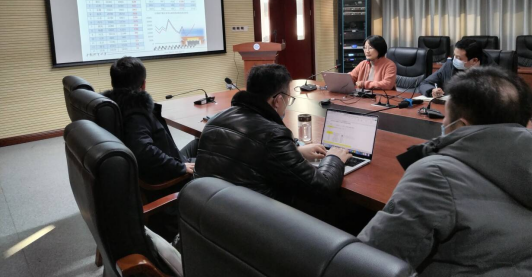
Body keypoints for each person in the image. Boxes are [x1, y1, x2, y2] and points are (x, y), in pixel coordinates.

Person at [358, 66, 532, 276]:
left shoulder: (435, 176)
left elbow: (368, 263)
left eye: (445, 118)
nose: (443, 123)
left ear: (461, 126)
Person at [194, 63, 351, 206]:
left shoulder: (215, 120)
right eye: (289, 99)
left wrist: (294, 151)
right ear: (278, 100)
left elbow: (248, 151)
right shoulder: (273, 135)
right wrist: (334, 158)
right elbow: (323, 188)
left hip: (209, 210)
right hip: (258, 219)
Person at [102, 56, 196, 187]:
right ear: (143, 84)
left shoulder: (114, 106)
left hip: (169, 159)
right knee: (219, 161)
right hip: (170, 173)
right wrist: (180, 167)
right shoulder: (135, 113)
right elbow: (143, 151)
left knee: (201, 141)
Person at [419, 38, 495, 97]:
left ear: (474, 60)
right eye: (454, 55)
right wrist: (432, 90)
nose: (454, 59)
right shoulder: (449, 65)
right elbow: (425, 83)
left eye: (459, 58)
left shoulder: (492, 73)